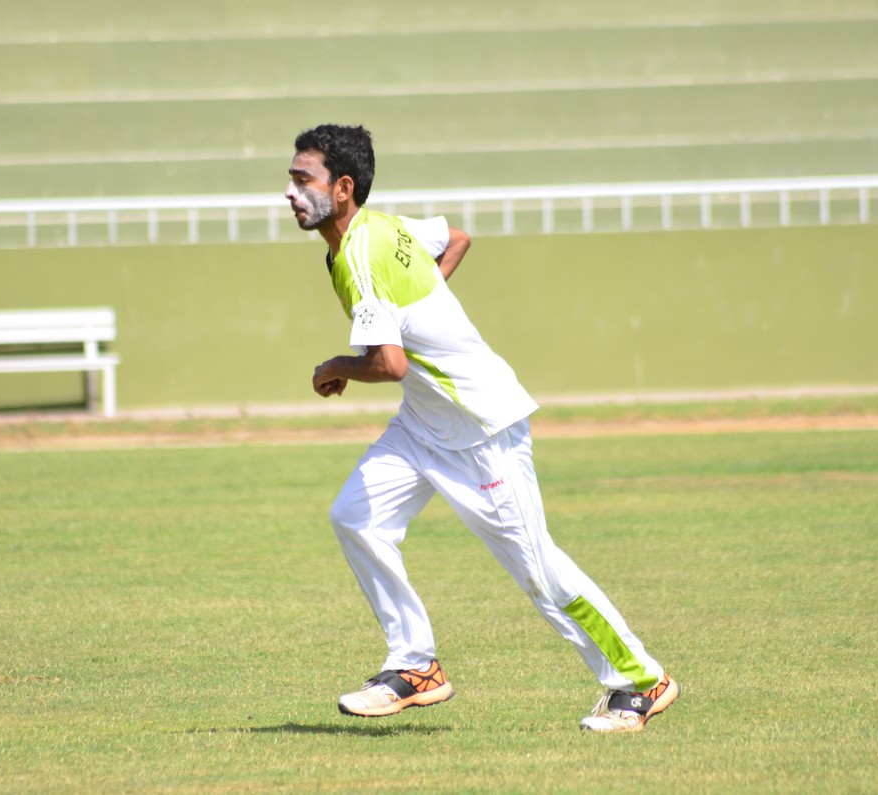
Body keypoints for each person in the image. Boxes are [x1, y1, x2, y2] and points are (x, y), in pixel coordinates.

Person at [284, 123, 679, 733]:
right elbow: (456, 239)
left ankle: (642, 682)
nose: (290, 192)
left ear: (342, 188)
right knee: (355, 518)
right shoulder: (381, 229)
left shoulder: (362, 252)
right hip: (423, 423)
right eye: (291, 179)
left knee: (540, 573)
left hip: (479, 428)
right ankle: (415, 666)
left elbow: (390, 365)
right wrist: (422, 314)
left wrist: (335, 366)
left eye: (302, 179)